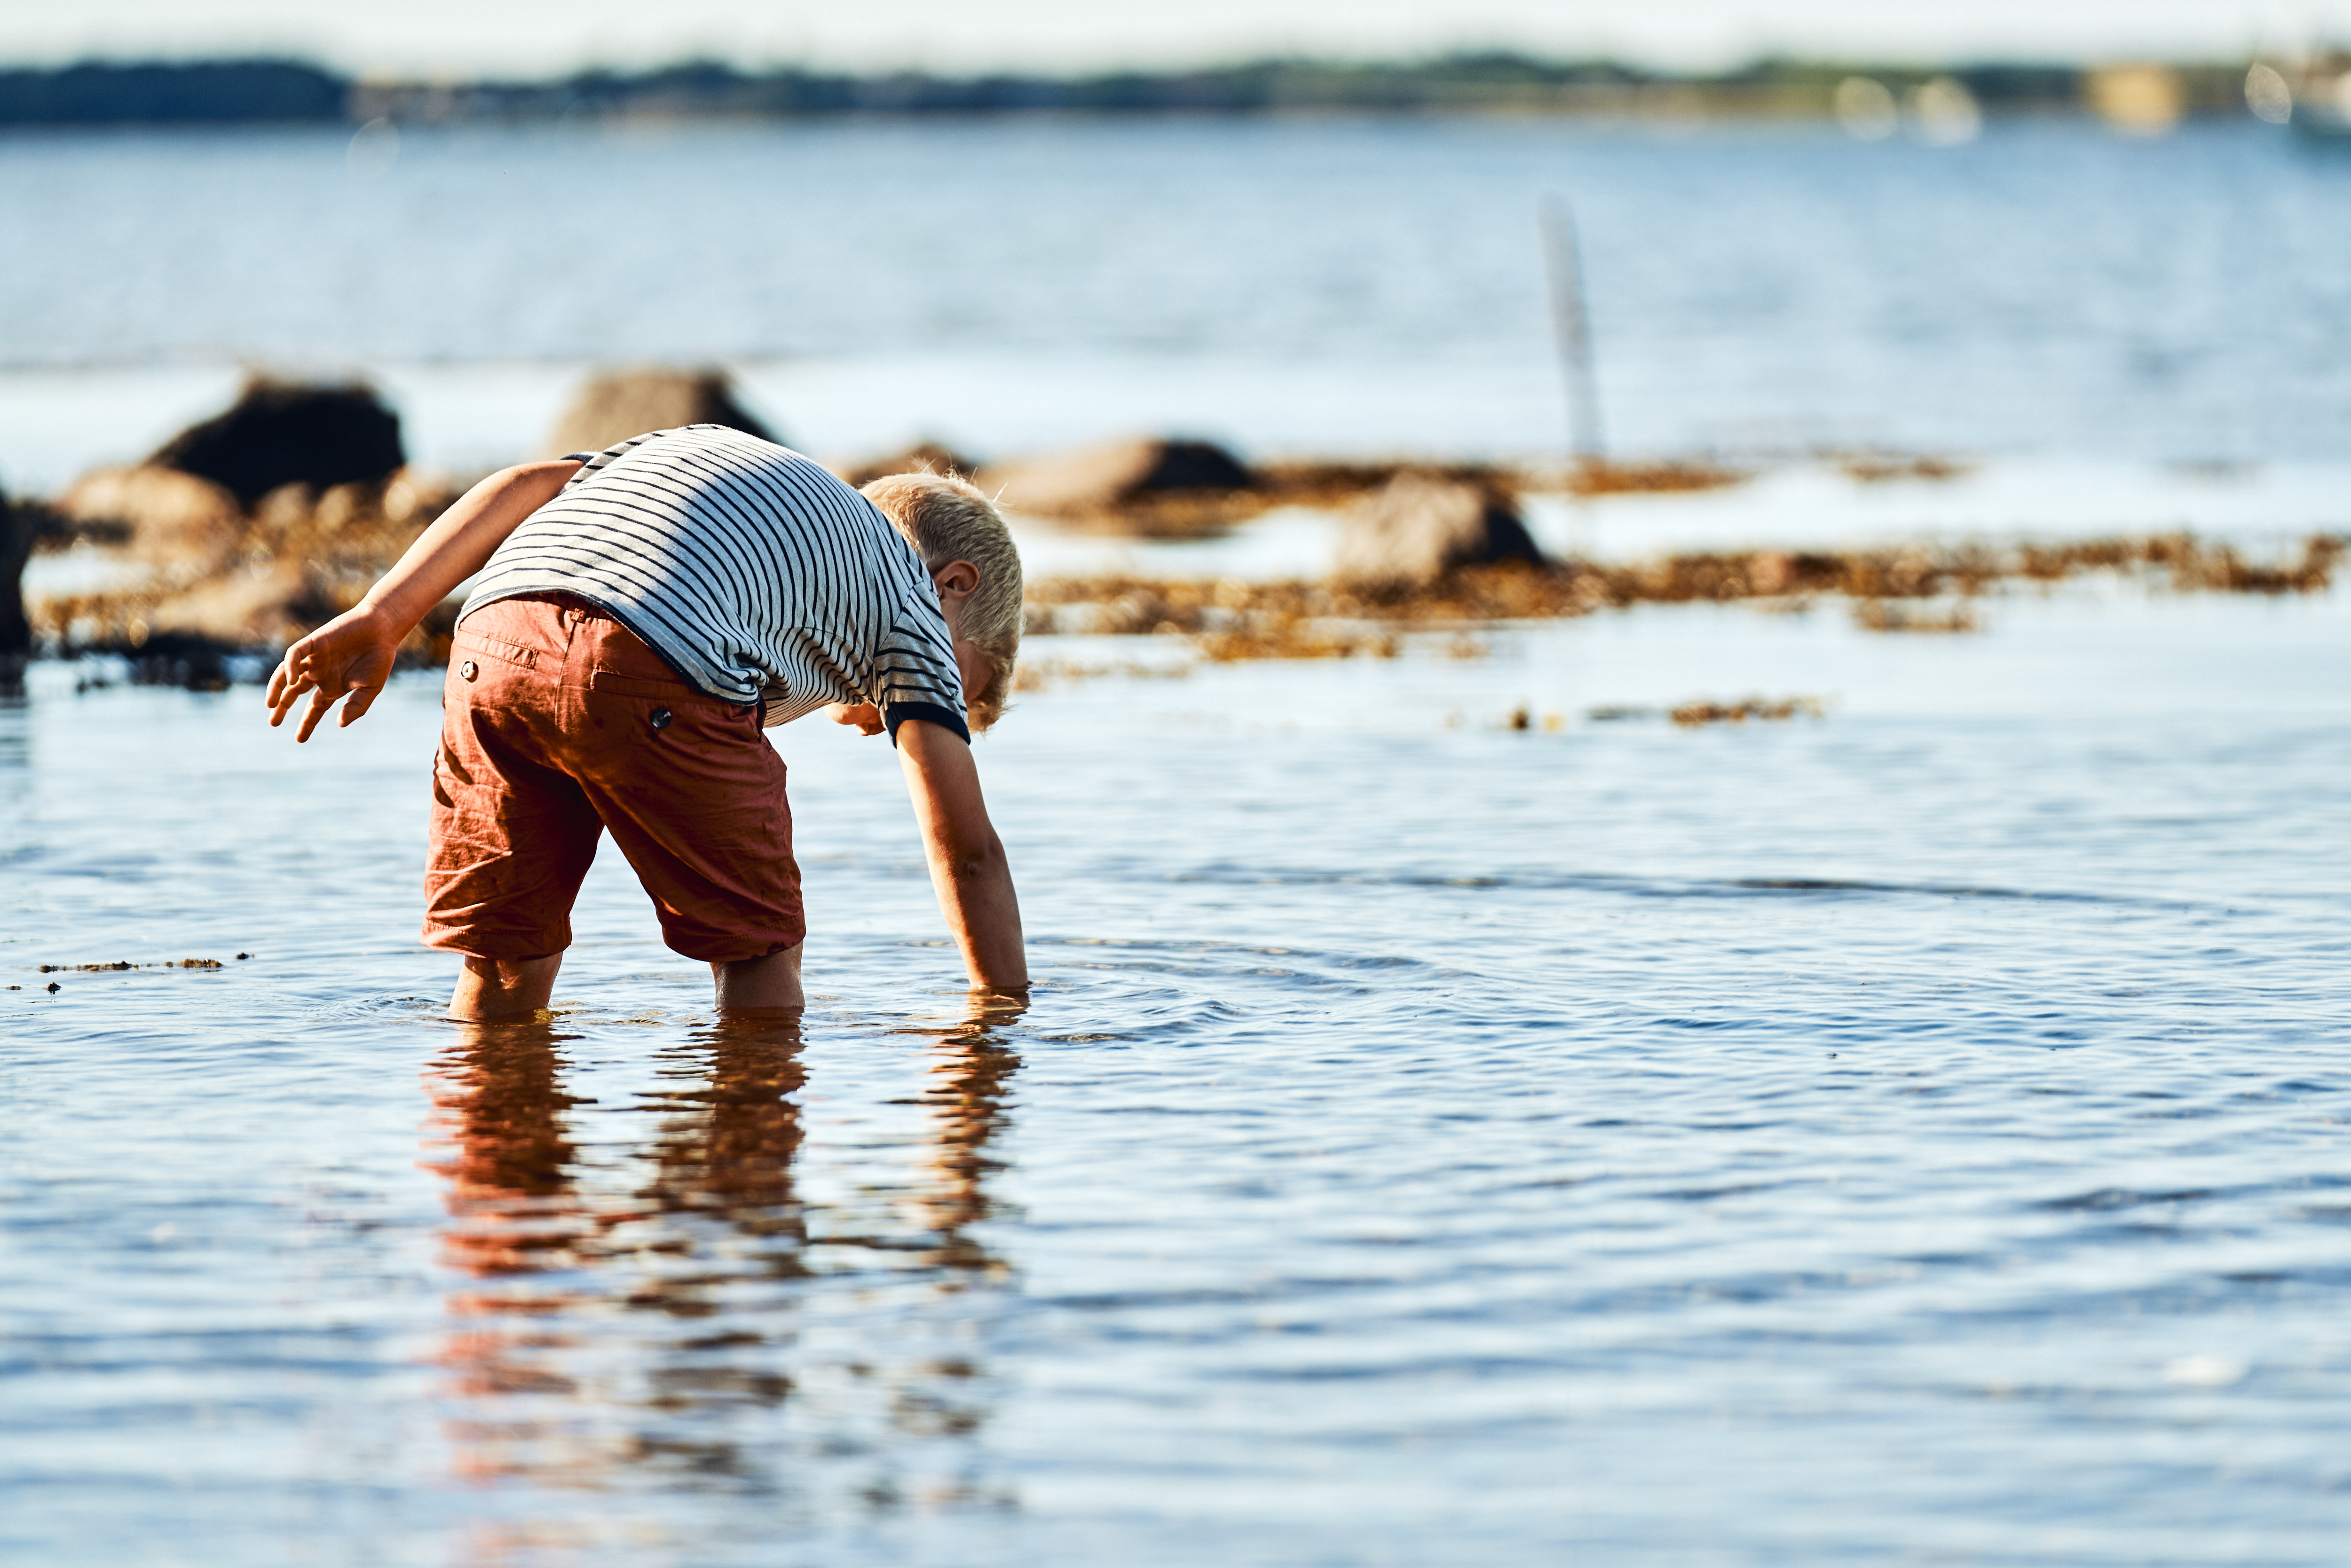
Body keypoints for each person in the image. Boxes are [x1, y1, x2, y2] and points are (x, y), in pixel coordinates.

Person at [265, 424, 1026, 1021]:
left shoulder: (723, 469)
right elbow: (967, 854)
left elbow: (523, 485)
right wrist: (1004, 1016)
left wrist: (385, 615)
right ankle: (741, 1190)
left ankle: (499, 1190)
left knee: (505, 955)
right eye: (963, 689)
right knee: (761, 949)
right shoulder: (910, 603)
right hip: (653, 659)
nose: (919, 709)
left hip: (493, 638)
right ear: (953, 587)